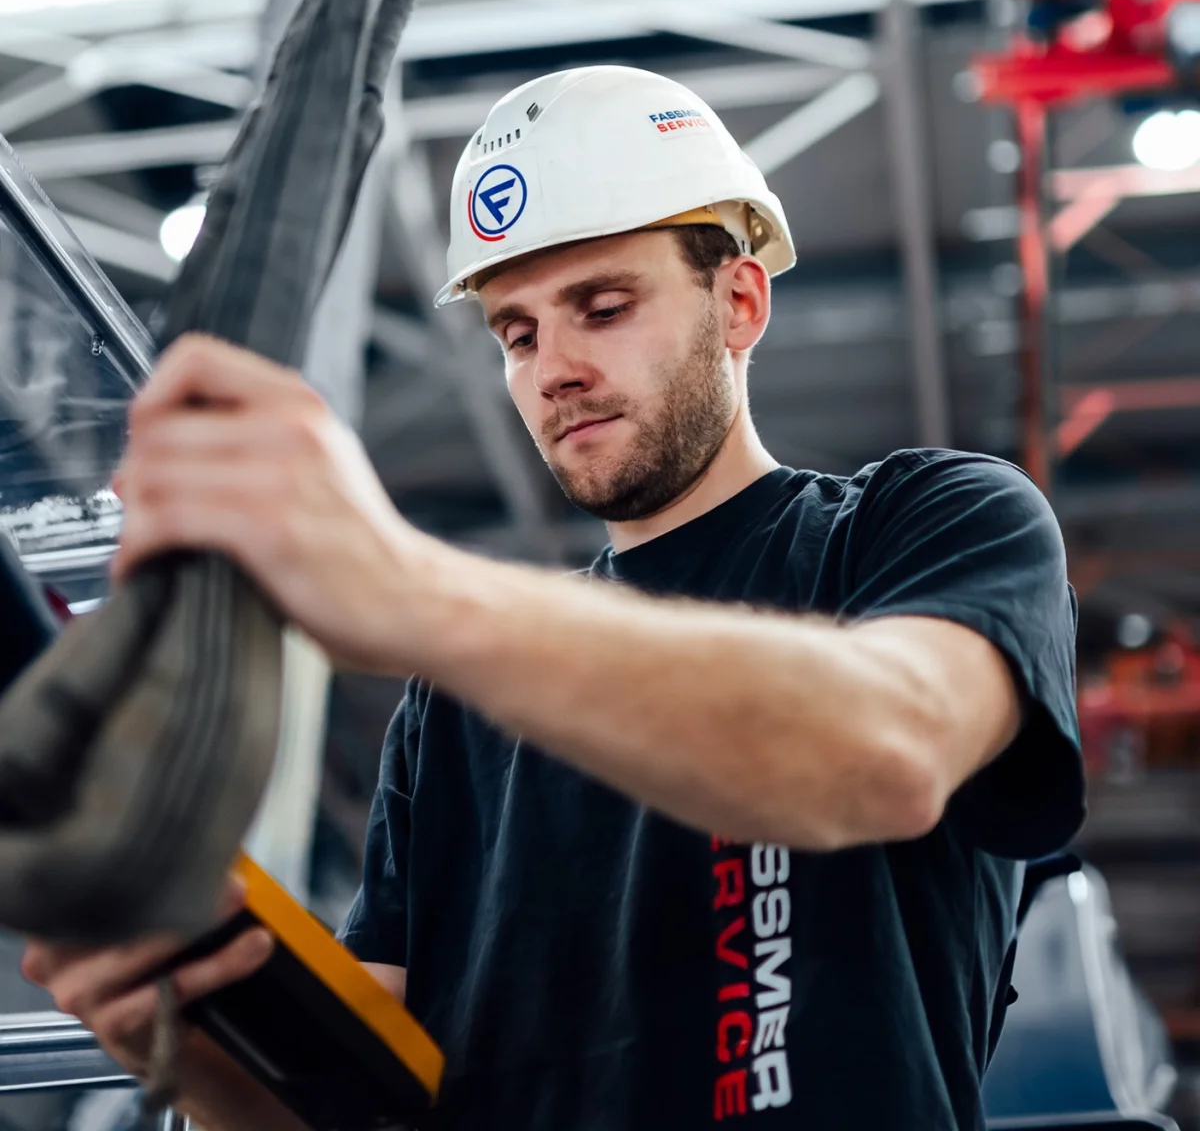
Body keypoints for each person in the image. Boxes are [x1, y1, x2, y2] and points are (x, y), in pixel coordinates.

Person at [22, 66, 1084, 1130]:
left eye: (605, 307)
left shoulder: (922, 526)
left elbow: (889, 751)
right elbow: (355, 1106)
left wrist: (405, 584)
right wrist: (185, 1037)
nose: (554, 369)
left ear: (740, 301)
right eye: (517, 335)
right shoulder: (453, 710)